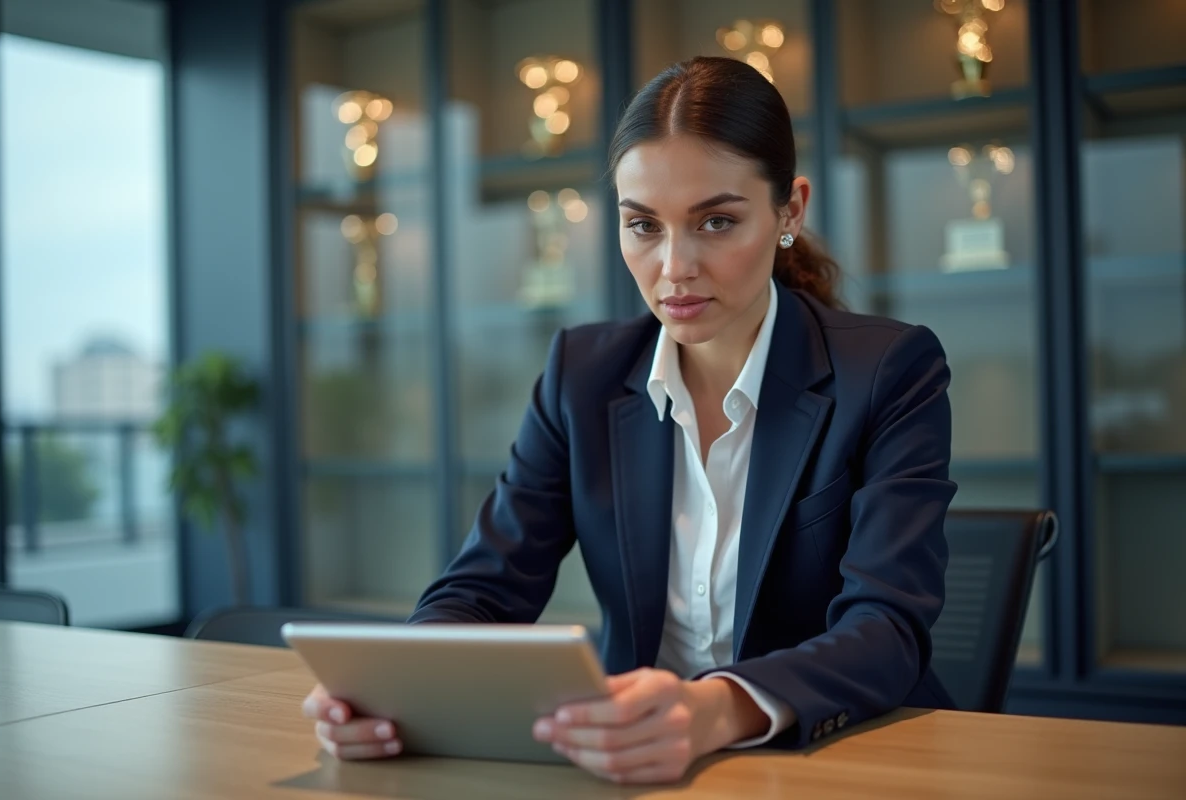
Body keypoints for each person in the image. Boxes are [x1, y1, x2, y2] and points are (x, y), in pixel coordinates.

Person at [303, 55, 957, 785]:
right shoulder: (581, 376)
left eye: (716, 221)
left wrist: (713, 709)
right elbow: (482, 589)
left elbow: (886, 629)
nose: (674, 267)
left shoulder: (891, 370)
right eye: (643, 225)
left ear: (790, 210)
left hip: (842, 762)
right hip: (638, 766)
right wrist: (398, 692)